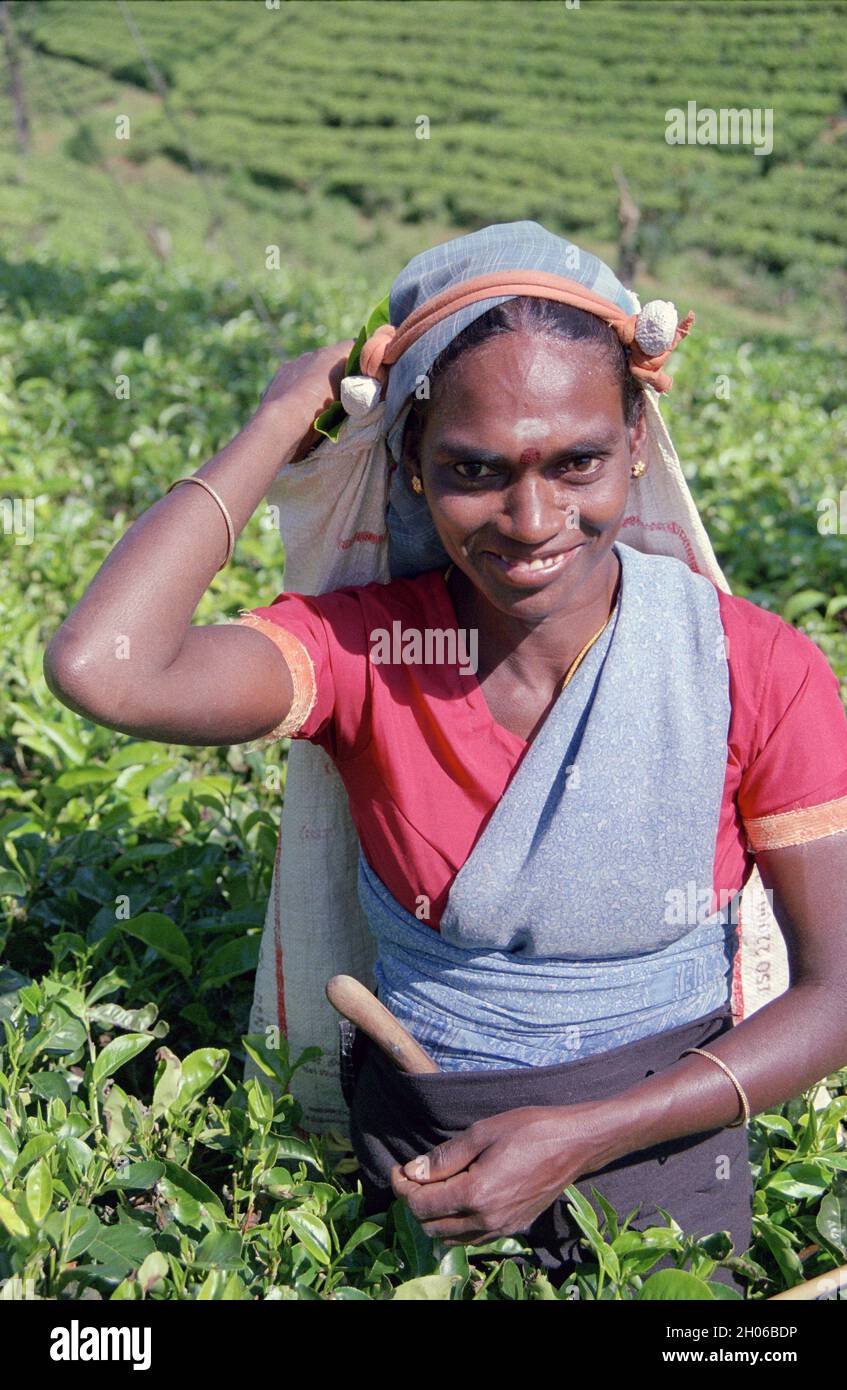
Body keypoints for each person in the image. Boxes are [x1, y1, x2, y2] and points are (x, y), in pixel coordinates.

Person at [44, 222, 847, 1294]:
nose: (531, 519)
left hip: (665, 1180)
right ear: (411, 469)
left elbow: (838, 991)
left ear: (638, 443)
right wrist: (284, 415)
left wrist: (583, 1136)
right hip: (422, 1173)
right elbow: (107, 668)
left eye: (578, 462)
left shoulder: (755, 668)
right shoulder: (364, 651)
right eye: (473, 470)